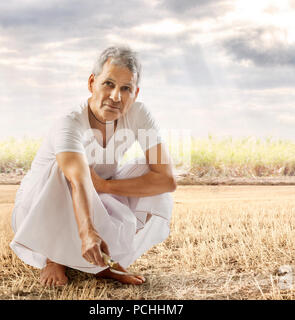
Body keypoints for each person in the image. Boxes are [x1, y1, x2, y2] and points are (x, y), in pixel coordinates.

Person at [10, 45, 176, 286]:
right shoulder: (69, 122)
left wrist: (105, 186)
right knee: (61, 170)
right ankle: (53, 258)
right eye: (109, 84)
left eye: (125, 88)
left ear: (136, 93)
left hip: (98, 193)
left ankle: (103, 264)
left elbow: (167, 180)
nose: (116, 96)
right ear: (91, 83)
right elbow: (78, 180)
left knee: (150, 171)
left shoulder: (139, 114)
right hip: (40, 206)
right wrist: (87, 233)